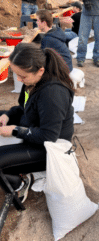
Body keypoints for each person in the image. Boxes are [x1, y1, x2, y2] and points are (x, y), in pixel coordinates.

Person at [0, 43, 74, 203]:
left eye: (22, 76)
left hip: (50, 148)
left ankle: (20, 184)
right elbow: (23, 107)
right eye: (17, 74)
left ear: (40, 70)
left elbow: (49, 136)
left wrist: (15, 130)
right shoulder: (32, 82)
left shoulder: (52, 94)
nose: (19, 79)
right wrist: (7, 115)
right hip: (35, 128)